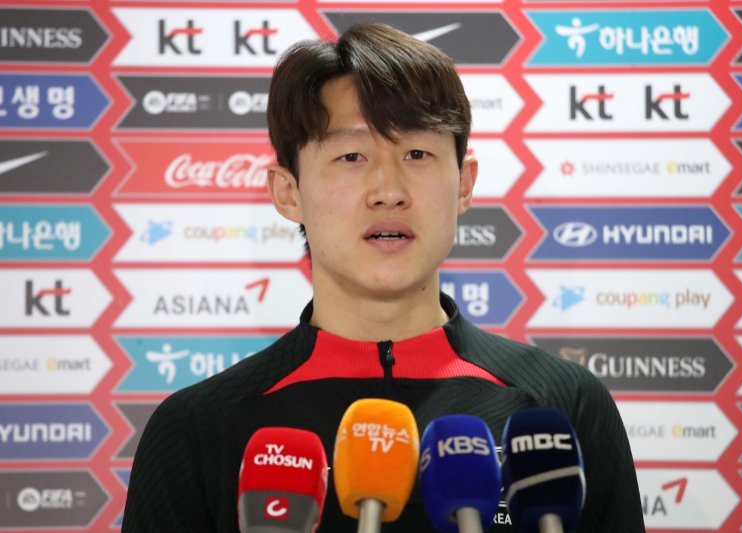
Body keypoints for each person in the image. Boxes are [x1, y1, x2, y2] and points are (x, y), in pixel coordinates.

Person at [122, 22, 645, 532]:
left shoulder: (561, 407)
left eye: (417, 153)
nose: (389, 191)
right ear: (288, 192)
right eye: (351, 156)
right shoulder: (198, 428)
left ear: (464, 184)